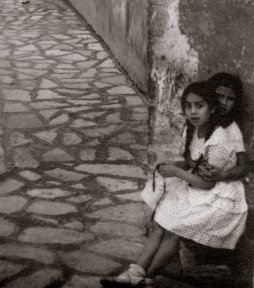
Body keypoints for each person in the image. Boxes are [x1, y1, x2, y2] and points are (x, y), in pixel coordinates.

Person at [100, 81, 248, 286]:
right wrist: (177, 165)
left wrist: (177, 171)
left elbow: (208, 184)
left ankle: (146, 278)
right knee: (160, 224)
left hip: (218, 193)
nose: (193, 111)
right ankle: (134, 273)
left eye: (199, 106)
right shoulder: (194, 130)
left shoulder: (220, 139)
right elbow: (194, 162)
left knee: (173, 228)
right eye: (188, 106)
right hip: (195, 184)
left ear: (211, 108)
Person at [199, 72, 247, 183]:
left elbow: (242, 168)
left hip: (218, 182)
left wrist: (223, 175)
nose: (224, 102)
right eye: (220, 96)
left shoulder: (232, 129)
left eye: (230, 99)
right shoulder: (201, 119)